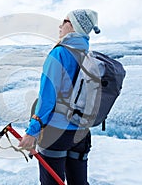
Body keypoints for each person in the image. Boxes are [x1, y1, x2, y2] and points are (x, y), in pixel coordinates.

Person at [19, 9, 100, 185]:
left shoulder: (59, 53)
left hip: (56, 132)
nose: (60, 26)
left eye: (63, 21)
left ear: (72, 26)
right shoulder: (88, 55)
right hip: (81, 133)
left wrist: (32, 131)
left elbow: (47, 97)